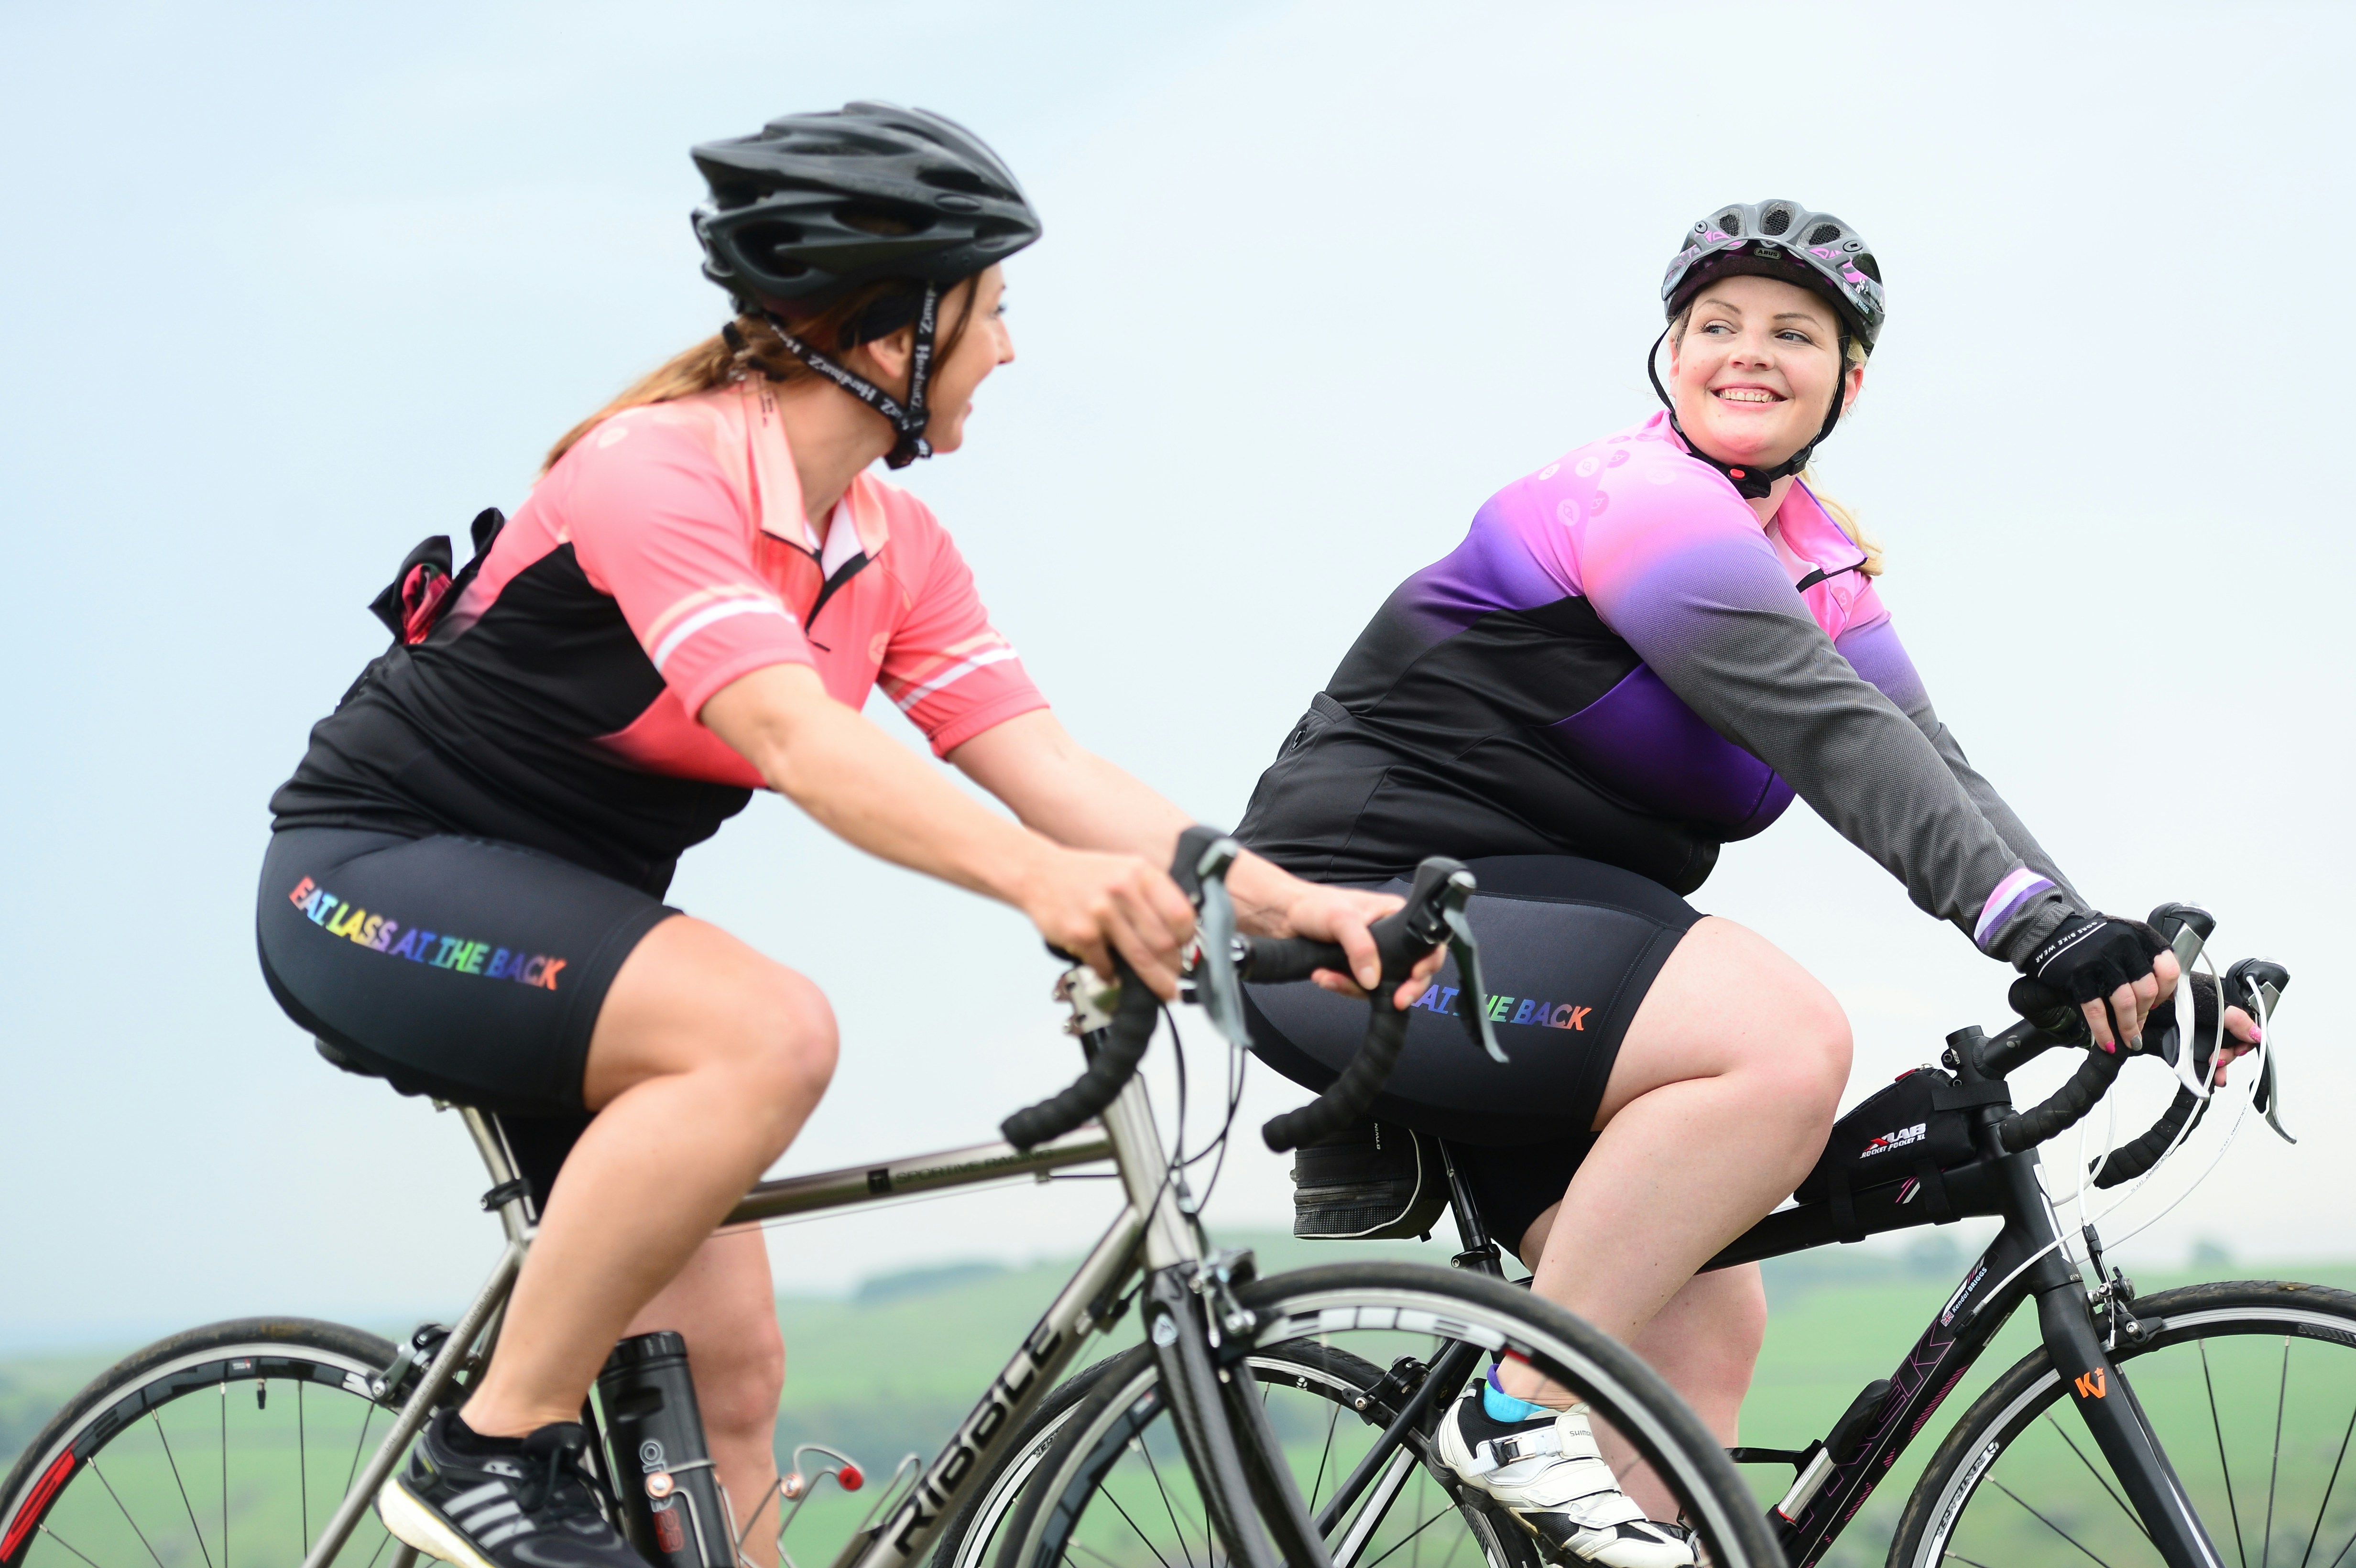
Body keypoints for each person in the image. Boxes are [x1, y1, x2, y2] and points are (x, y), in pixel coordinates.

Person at [257, 103, 1418, 1568]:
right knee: (770, 1035)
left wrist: (1293, 903)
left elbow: (1047, 766)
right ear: (890, 337)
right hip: (368, 884)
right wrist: (1047, 888)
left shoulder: (892, 545)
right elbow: (796, 738)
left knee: (731, 1379)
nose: (1009, 348)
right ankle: (487, 1451)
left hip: (569, 941)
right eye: (992, 311)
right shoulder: (656, 471)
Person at [1232, 198, 2263, 1568]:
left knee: (1707, 1316)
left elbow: (1925, 763)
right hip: (1361, 922)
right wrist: (2041, 936)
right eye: (1713, 326)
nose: (1747, 352)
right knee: (1785, 1043)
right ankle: (1515, 1407)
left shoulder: (1816, 559)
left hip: (1545, 965)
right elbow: (1828, 738)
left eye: (1793, 331)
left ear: (1851, 376)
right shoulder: (1630, 502)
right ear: (1668, 353)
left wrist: (2117, 965)